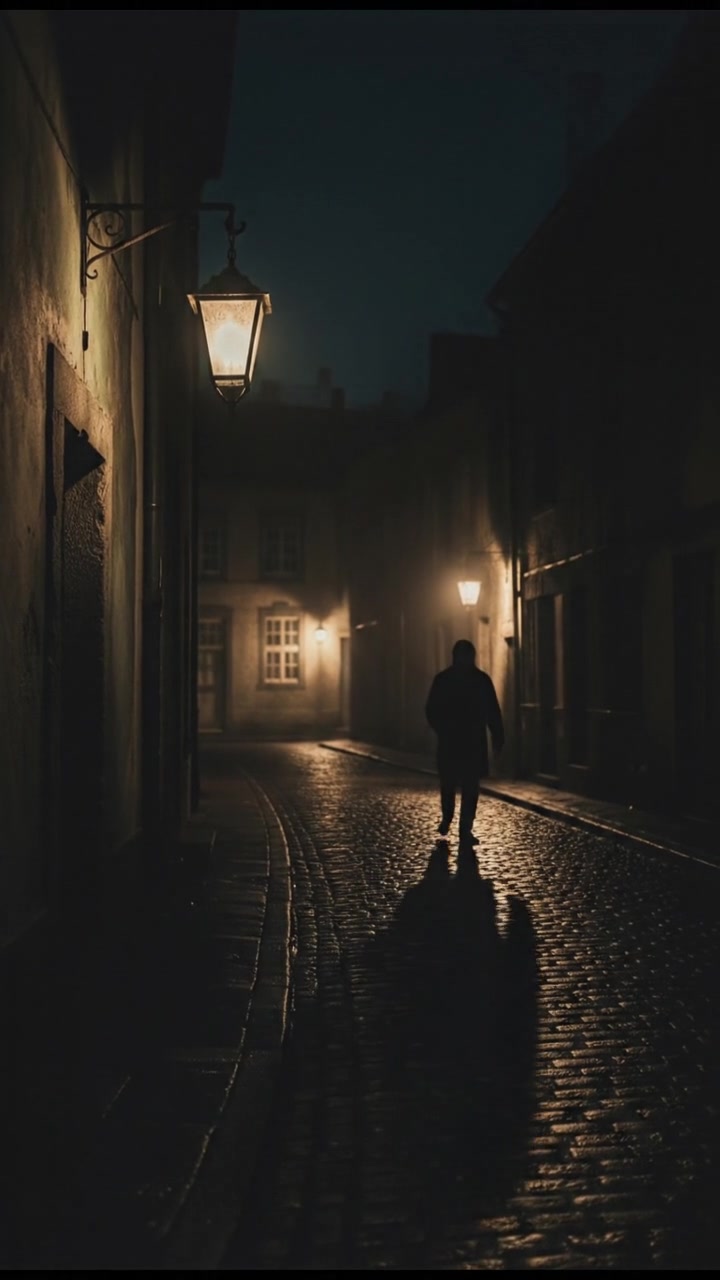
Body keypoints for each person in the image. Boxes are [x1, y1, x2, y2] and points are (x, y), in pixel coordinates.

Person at [425, 639, 504, 846]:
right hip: (457, 741)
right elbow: (432, 710)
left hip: (467, 742)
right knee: (450, 785)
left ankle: (464, 828)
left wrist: (497, 736)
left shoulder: (476, 680)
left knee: (468, 787)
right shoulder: (450, 680)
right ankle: (448, 818)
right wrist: (442, 729)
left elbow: (492, 712)